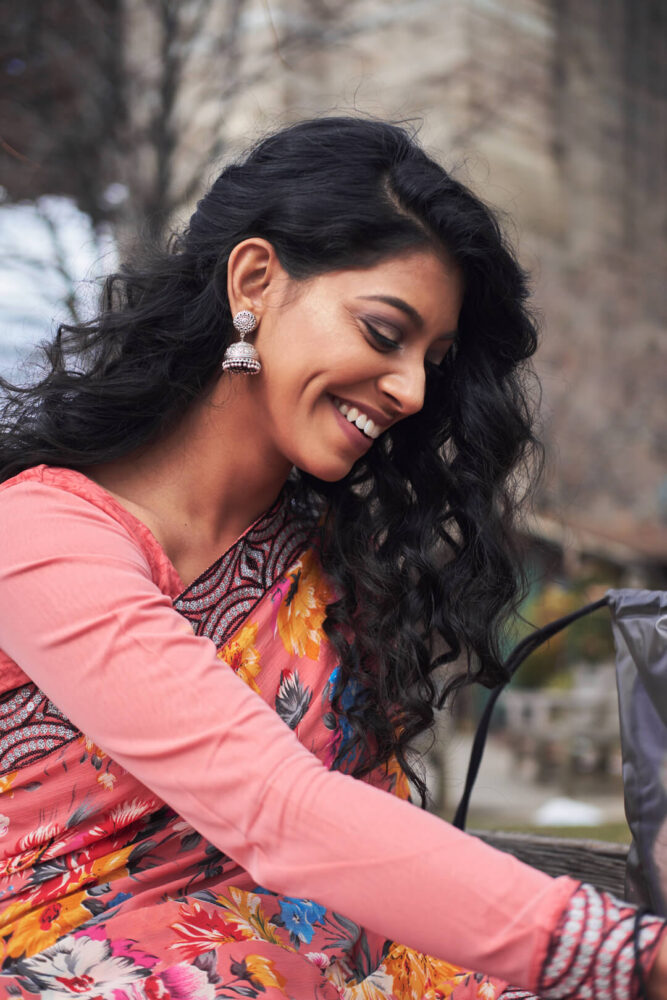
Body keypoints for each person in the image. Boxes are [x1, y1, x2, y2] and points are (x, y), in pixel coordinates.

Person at [0, 116, 664, 1000]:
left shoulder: (330, 562)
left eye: (434, 359)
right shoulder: (41, 537)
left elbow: (367, 846)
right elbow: (275, 810)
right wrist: (628, 959)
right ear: (255, 279)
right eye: (384, 333)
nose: (413, 389)